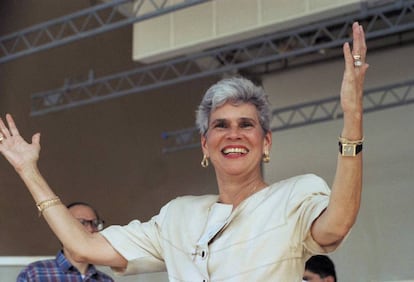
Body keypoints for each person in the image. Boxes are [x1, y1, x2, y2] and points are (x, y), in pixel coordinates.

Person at [0, 21, 368, 281]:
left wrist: (352, 119)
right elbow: (84, 245)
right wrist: (29, 171)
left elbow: (337, 224)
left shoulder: (296, 196)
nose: (233, 134)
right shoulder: (179, 216)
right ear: (205, 145)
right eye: (220, 125)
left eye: (246, 124)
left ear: (266, 141)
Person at [16, 202, 114, 282]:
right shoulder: (35, 273)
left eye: (95, 223)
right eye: (81, 223)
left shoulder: (105, 280)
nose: (90, 229)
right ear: (62, 229)